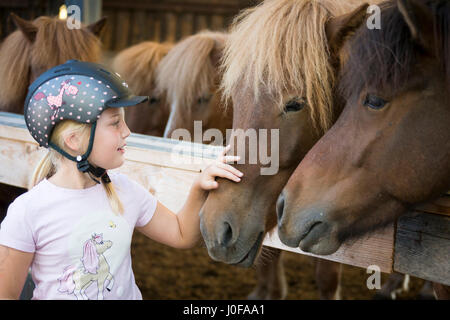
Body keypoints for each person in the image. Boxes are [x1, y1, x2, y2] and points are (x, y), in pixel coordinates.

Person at [0, 60, 242, 300]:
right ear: (74, 141)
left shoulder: (124, 190)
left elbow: (181, 233)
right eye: (115, 123)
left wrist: (200, 187)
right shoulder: (27, 213)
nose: (127, 131)